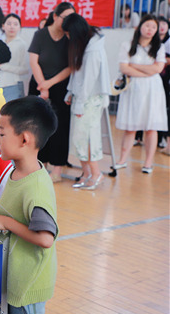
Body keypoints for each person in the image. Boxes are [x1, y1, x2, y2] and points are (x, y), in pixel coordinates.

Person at [0, 96, 58, 314]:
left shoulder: (36, 188)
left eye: (2, 133)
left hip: (28, 286)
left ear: (24, 139)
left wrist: (5, 223)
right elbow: (12, 210)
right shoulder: (16, 171)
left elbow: (46, 238)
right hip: (16, 277)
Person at [62, 14, 111, 190]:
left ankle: (97, 173)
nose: (67, 37)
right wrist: (70, 91)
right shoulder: (84, 45)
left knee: (88, 137)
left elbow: (89, 81)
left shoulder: (94, 49)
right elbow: (78, 73)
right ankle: (87, 172)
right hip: (80, 97)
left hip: (90, 98)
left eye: (68, 34)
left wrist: (80, 102)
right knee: (78, 137)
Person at [28, 2, 75, 183]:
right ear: (55, 16)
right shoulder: (40, 34)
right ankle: (40, 165)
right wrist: (43, 85)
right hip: (39, 85)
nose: (67, 22)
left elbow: (70, 66)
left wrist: (49, 84)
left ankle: (57, 169)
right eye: (65, 17)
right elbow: (34, 61)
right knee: (37, 127)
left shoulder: (70, 38)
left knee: (60, 127)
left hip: (60, 87)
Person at [114, 15, 167, 174]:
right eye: (147, 25)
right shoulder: (127, 45)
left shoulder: (159, 47)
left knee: (151, 127)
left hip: (153, 89)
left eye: (153, 27)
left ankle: (148, 163)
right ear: (140, 27)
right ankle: (122, 160)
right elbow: (124, 68)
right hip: (133, 88)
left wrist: (134, 66)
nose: (150, 29)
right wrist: (147, 71)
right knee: (130, 127)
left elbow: (158, 69)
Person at [0, 13, 29, 102]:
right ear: (3, 26)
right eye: (9, 24)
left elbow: (24, 69)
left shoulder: (21, 44)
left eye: (15, 24)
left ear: (19, 27)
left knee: (13, 114)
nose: (12, 27)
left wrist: (2, 66)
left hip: (14, 85)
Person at [157, 16, 170, 153]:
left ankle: (162, 139)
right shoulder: (152, 42)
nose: (161, 26)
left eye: (164, 24)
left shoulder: (168, 41)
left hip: (166, 79)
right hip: (154, 78)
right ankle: (138, 137)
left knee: (163, 108)